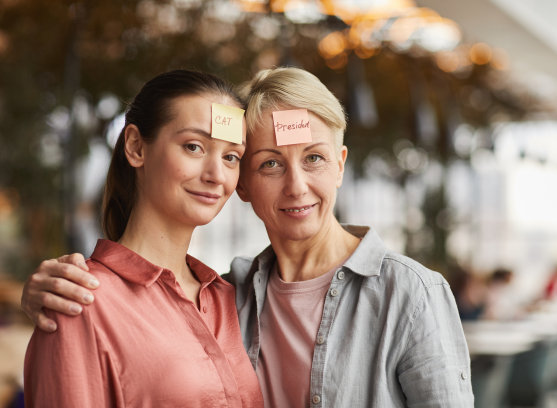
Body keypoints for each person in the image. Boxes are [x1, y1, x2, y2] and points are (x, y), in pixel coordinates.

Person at [22, 67, 474, 407]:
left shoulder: (409, 292)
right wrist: (49, 292)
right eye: (270, 163)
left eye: (314, 158)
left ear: (340, 164)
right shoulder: (233, 294)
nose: (296, 186)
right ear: (245, 186)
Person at [23, 70, 263, 407]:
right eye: (194, 147)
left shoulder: (229, 297)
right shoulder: (78, 301)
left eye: (231, 156)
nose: (216, 175)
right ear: (136, 147)